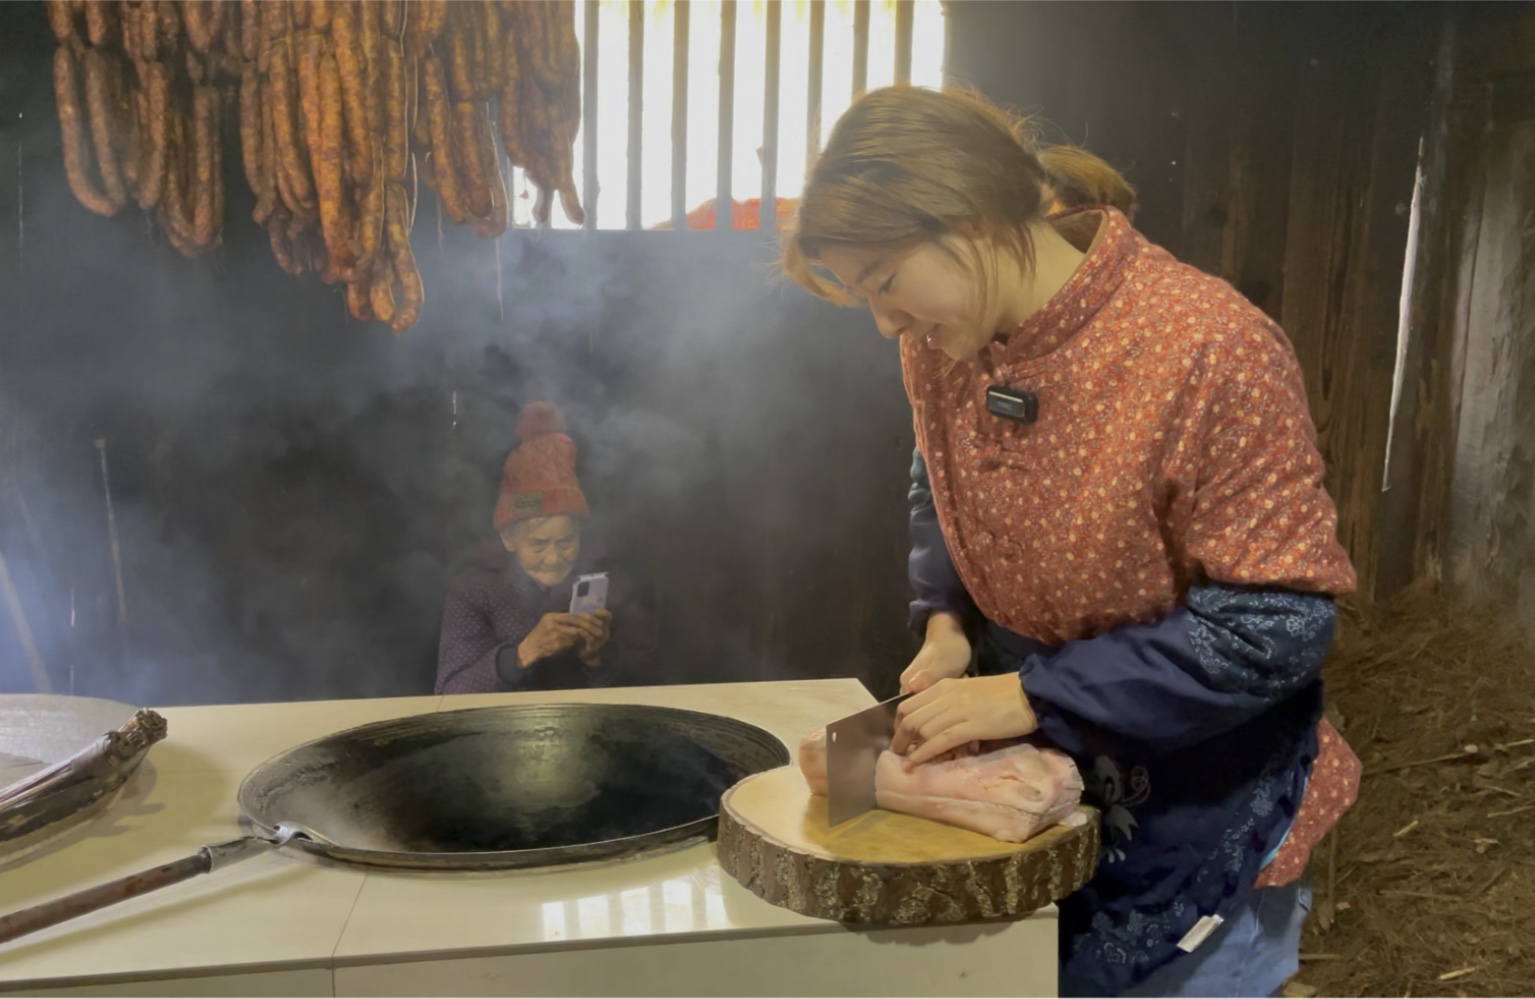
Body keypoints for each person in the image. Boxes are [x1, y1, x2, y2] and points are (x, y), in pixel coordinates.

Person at [780, 84, 1362, 998]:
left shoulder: (1209, 348)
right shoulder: (945, 339)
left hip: (1197, 776)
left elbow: (1275, 626)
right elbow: (936, 472)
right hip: (1040, 753)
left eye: (884, 282)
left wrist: (1030, 696)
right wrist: (945, 623)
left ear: (968, 217)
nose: (885, 323)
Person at [435, 402, 655, 694]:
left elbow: (651, 685)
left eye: (566, 541)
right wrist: (523, 653)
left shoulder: (612, 585)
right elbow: (449, 693)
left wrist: (596, 658)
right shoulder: (474, 589)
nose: (554, 558)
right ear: (509, 539)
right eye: (538, 544)